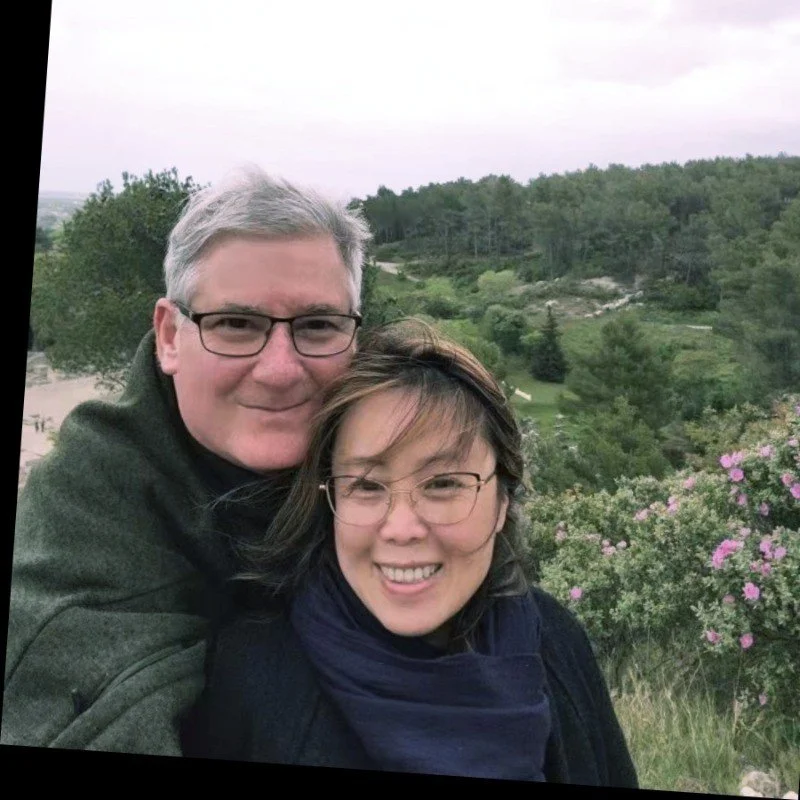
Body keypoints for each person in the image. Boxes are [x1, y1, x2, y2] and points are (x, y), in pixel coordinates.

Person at [2, 166, 371, 755]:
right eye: (235, 324)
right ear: (170, 336)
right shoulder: (91, 506)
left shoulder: (401, 459)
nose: (279, 370)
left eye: (318, 325)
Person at [182, 320, 639, 786]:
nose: (401, 529)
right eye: (366, 486)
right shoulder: (249, 681)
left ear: (502, 500)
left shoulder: (555, 640)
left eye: (443, 484)